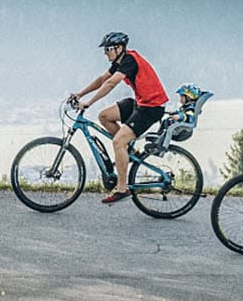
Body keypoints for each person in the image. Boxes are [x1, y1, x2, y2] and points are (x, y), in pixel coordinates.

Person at [68, 31, 170, 204]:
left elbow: (111, 83)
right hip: (140, 103)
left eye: (109, 49)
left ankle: (122, 188)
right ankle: (129, 150)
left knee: (118, 142)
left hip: (151, 108)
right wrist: (80, 94)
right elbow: (102, 79)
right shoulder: (119, 61)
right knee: (105, 116)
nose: (106, 53)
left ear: (120, 48)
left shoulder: (129, 60)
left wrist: (89, 102)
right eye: (105, 50)